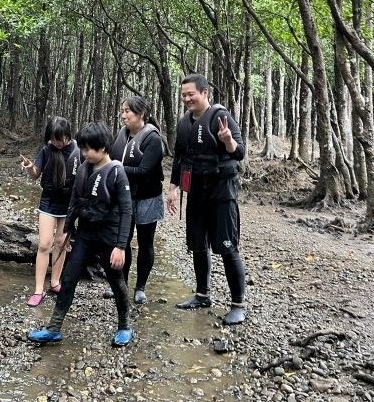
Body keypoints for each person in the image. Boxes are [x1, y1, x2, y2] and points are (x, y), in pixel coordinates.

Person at [27, 121, 134, 347]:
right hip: (85, 234)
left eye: (88, 149)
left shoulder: (117, 172)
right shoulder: (84, 168)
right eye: (82, 148)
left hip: (109, 236)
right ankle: (54, 328)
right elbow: (74, 202)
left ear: (104, 147)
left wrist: (121, 246)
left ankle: (124, 325)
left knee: (116, 281)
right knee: (68, 278)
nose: (84, 153)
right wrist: (68, 232)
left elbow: (126, 211)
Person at [165, 74, 247, 325]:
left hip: (221, 193)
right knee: (197, 245)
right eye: (184, 95)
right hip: (196, 192)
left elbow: (240, 152)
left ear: (205, 93)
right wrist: (173, 188)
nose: (187, 99)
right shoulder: (183, 123)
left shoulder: (221, 116)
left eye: (191, 94)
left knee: (227, 247)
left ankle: (238, 304)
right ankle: (202, 294)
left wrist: (228, 140)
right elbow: (180, 158)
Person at [105, 96, 165, 305]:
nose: (123, 115)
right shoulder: (121, 134)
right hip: (124, 197)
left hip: (148, 197)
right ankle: (121, 284)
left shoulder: (153, 139)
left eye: (127, 111)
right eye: (122, 110)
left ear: (141, 114)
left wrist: (115, 168)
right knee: (122, 241)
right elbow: (111, 157)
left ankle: (140, 288)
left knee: (145, 242)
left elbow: (144, 170)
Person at [20, 117, 82, 307]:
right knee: (44, 244)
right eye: (53, 139)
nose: (56, 143)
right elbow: (35, 175)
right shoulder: (47, 150)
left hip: (69, 203)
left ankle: (55, 282)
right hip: (48, 202)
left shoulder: (78, 151)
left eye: (59, 139)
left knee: (61, 243)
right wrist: (29, 169)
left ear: (68, 136)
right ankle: (39, 289)